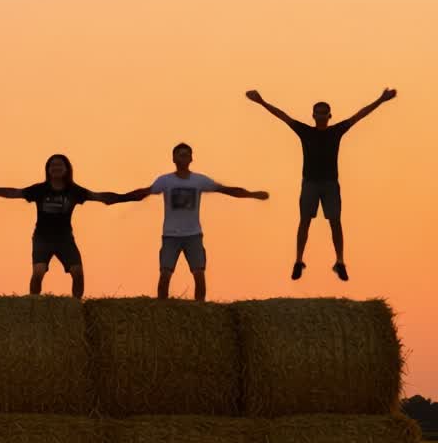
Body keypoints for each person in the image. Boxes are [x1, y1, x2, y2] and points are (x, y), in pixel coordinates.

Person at [246, 88, 397, 281]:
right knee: (305, 221)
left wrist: (381, 100)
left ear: (329, 115)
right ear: (313, 115)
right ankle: (298, 261)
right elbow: (282, 116)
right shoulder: (305, 131)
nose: (320, 116)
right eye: (317, 113)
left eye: (323, 113)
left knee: (335, 222)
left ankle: (340, 261)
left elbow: (360, 114)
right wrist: (261, 101)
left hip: (330, 184)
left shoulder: (336, 131)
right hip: (310, 183)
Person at [0, 154, 146, 298]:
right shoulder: (39, 190)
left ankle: (76, 308)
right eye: (52, 165)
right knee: (38, 273)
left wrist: (127, 197)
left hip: (64, 239)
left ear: (66, 169)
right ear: (48, 170)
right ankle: (34, 304)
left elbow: (103, 198)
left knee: (78, 273)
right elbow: (14, 193)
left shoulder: (74, 191)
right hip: (42, 238)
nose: (56, 167)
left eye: (59, 165)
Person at [145, 143, 268, 301]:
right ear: (174, 158)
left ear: (191, 158)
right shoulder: (165, 181)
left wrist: (252, 194)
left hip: (193, 235)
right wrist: (117, 198)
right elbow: (142, 193)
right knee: (165, 275)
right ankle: (161, 309)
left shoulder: (198, 180)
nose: (185, 157)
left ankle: (200, 310)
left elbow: (226, 190)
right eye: (181, 155)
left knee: (199, 274)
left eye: (188, 155)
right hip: (170, 235)